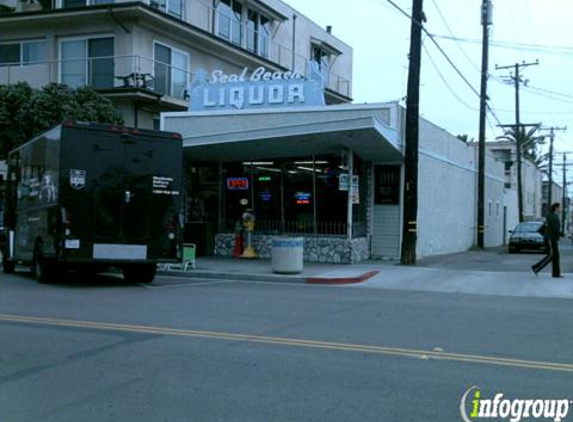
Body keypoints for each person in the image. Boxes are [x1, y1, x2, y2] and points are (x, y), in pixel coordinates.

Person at [531, 203, 565, 278]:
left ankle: (556, 273)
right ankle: (536, 267)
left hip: (552, 238)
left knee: (556, 256)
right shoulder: (553, 217)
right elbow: (554, 229)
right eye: (560, 207)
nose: (561, 209)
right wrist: (563, 235)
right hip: (551, 238)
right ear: (556, 208)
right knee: (551, 255)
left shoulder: (551, 215)